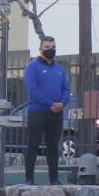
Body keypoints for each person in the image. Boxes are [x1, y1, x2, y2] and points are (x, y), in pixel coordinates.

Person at [23, 36, 70, 186]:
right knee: (33, 146)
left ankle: (54, 179)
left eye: (53, 47)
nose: (51, 49)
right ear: (41, 49)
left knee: (53, 148)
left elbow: (66, 89)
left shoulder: (59, 69)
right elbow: (33, 90)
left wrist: (62, 103)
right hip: (38, 112)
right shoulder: (32, 67)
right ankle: (29, 179)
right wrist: (50, 104)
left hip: (56, 114)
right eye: (48, 47)